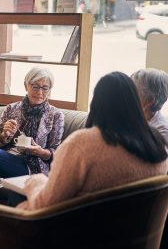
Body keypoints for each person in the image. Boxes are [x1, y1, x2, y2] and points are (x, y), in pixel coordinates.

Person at [17, 72, 167, 210]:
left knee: (21, 209)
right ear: (135, 103)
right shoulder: (158, 144)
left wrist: (35, 181)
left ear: (96, 103)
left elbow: (44, 205)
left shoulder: (80, 144)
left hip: (84, 235)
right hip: (140, 236)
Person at [0, 66, 64, 178]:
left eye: (45, 88)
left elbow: (56, 153)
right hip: (5, 159)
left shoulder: (55, 115)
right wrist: (4, 136)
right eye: (35, 87)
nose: (40, 92)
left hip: (31, 167)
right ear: (26, 85)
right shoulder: (11, 109)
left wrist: (39, 151)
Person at [131, 68, 168, 147]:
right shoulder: (137, 118)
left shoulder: (162, 132)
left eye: (133, 91)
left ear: (149, 100)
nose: (127, 95)